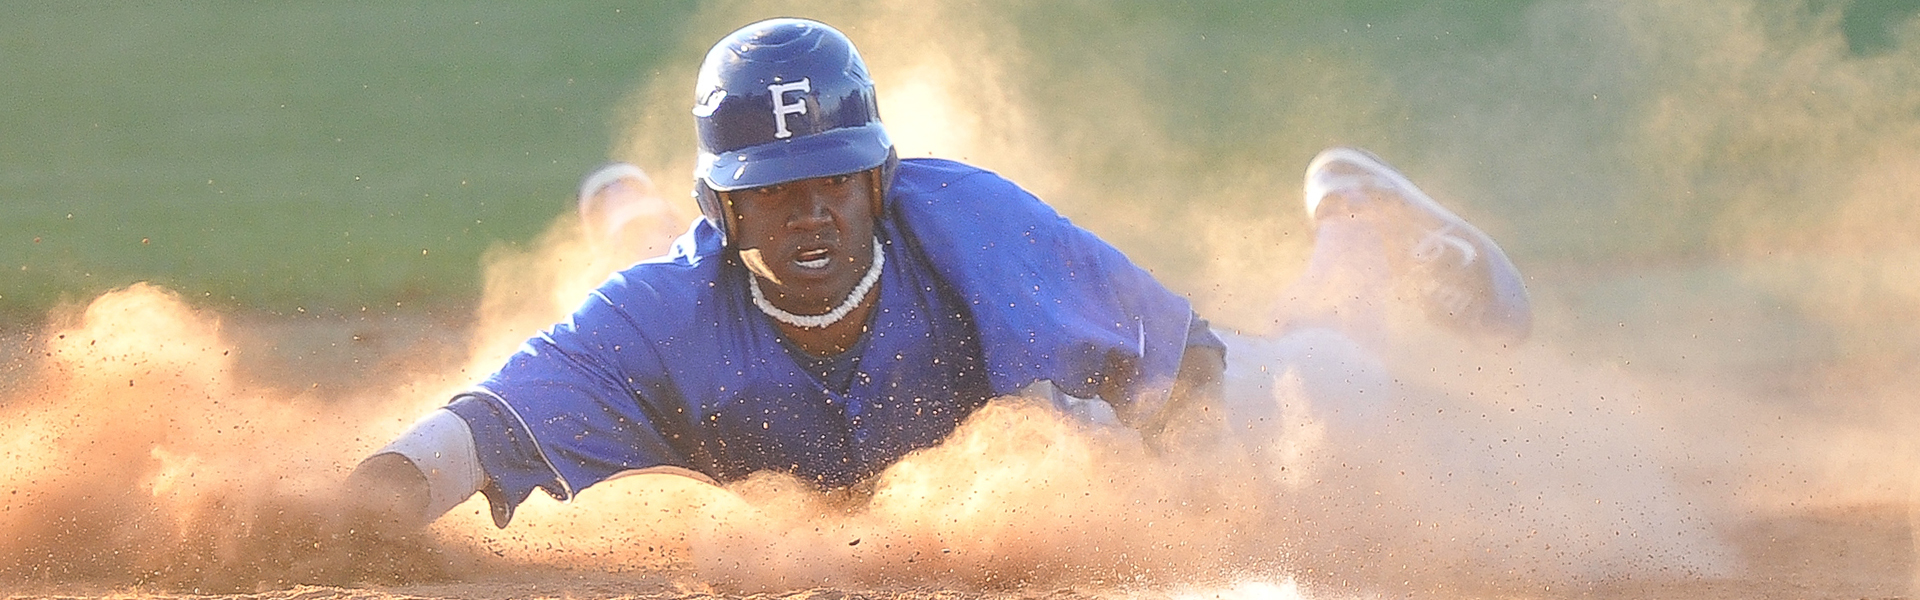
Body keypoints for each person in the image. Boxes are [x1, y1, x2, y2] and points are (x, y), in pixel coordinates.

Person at [341, 17, 1530, 536]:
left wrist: (1225, 519)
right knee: (639, 309)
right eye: (772, 187)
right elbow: (486, 421)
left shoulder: (972, 230)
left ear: (876, 181)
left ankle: (1358, 225)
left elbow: (1192, 376)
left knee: (1328, 398)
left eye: (832, 179)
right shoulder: (667, 309)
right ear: (724, 208)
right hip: (689, 306)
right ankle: (629, 216)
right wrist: (365, 499)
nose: (810, 205)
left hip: (1158, 401)